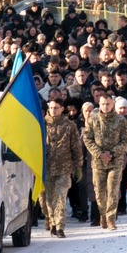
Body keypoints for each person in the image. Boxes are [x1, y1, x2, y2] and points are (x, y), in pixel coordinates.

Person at [85, 96, 127, 230]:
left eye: (108, 104)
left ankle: (111, 219)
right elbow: (87, 139)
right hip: (98, 162)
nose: (105, 106)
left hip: (115, 161)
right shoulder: (93, 120)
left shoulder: (120, 120)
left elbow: (126, 140)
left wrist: (112, 153)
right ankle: (103, 216)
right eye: (103, 104)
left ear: (113, 105)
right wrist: (99, 153)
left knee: (112, 190)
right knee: (99, 192)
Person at [42, 94, 83, 238]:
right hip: (45, 168)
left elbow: (76, 147)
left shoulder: (69, 125)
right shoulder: (42, 124)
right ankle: (52, 222)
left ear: (62, 109)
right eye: (51, 107)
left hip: (64, 168)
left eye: (56, 108)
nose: (53, 110)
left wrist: (78, 166)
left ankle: (59, 227)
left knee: (60, 198)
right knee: (47, 199)